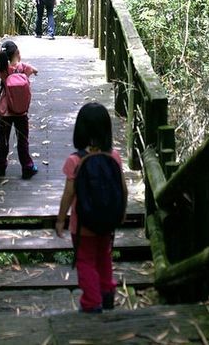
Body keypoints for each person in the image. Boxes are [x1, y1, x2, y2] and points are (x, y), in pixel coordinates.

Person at [55, 102, 127, 313]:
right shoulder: (113, 156)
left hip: (83, 224)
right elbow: (122, 188)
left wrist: (61, 219)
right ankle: (107, 294)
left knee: (85, 261)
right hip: (107, 221)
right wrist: (121, 213)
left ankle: (91, 301)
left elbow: (68, 194)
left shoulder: (75, 160)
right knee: (104, 256)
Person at [0, 40, 39, 179]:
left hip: (5, 111)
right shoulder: (24, 67)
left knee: (3, 140)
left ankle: (0, 167)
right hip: (21, 112)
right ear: (18, 53)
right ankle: (27, 167)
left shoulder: (3, 69)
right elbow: (35, 70)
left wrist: (0, 51)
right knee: (23, 140)